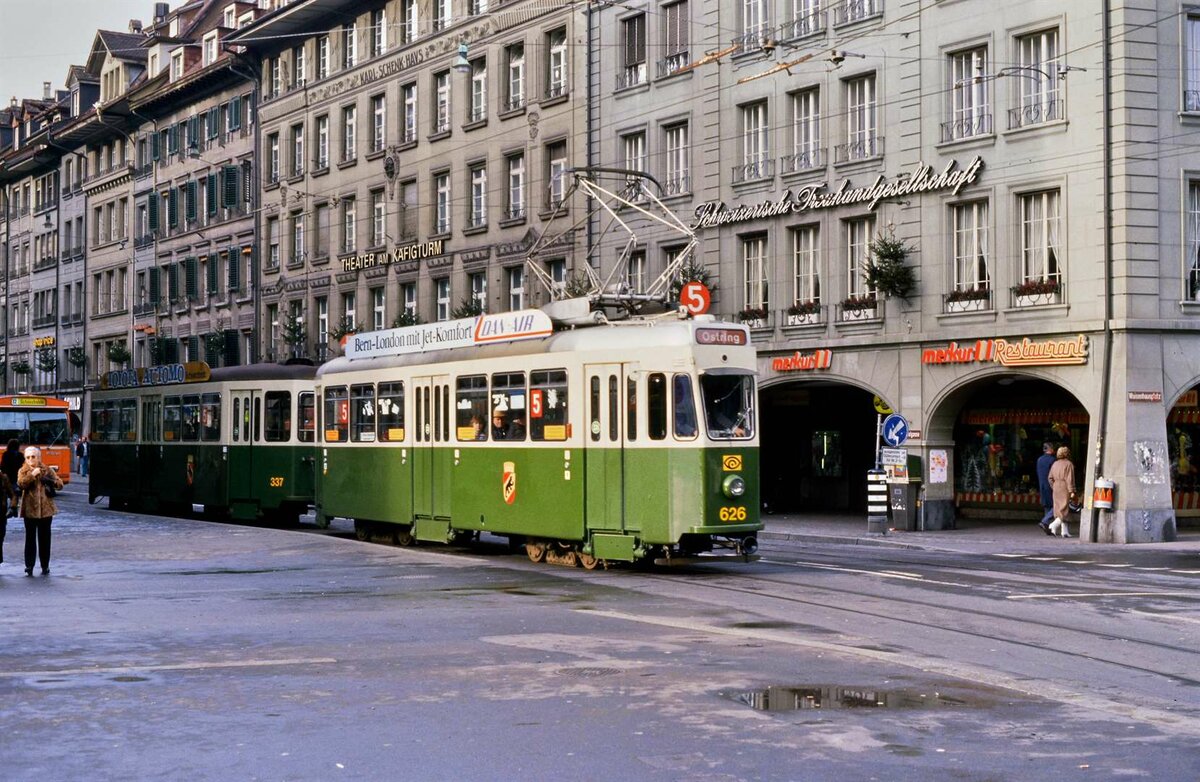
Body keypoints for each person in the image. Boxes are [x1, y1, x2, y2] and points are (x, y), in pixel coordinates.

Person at [18, 446, 63, 575]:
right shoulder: (23, 471)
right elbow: (21, 484)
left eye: (33, 456)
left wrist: (50, 480)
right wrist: (32, 475)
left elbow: (60, 485)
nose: (31, 459)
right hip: (29, 510)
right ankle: (29, 566)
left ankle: (45, 565)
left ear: (39, 457)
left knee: (45, 539)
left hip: (46, 510)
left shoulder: (47, 470)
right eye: (28, 457)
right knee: (30, 539)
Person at [1047, 445, 1077, 538]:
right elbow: (1070, 479)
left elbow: (1050, 478)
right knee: (1064, 509)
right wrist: (1072, 490)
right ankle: (1053, 525)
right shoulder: (1069, 464)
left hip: (1056, 486)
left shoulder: (1054, 464)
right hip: (1064, 486)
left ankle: (1064, 531)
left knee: (1058, 508)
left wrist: (1054, 486)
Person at [1035, 441, 1057, 535]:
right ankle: (1045, 521)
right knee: (1056, 506)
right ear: (1051, 449)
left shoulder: (1039, 459)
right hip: (1051, 486)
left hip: (1042, 485)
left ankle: (1047, 527)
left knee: (1047, 506)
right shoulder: (1053, 460)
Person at [0, 469, 16, 566]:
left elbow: (13, 495)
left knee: (0, 537)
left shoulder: (3, 477)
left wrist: (12, 507)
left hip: (1, 513)